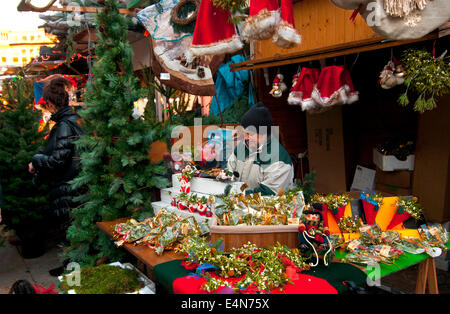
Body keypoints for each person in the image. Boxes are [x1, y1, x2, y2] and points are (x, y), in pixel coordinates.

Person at [28, 77, 83, 244]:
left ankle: (72, 268)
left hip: (67, 188)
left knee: (72, 234)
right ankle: (70, 266)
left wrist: (36, 160)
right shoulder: (73, 121)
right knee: (73, 233)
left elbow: (57, 160)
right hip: (72, 187)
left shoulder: (64, 125)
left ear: (51, 104)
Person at [227, 102, 294, 196]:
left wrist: (237, 194)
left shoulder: (278, 159)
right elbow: (230, 169)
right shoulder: (242, 148)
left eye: (250, 133)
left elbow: (269, 193)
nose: (245, 138)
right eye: (244, 133)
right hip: (241, 207)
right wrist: (226, 177)